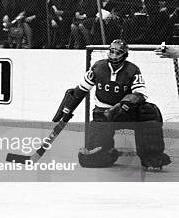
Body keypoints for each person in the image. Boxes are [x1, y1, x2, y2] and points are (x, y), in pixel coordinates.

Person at [53, 40, 170, 171]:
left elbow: (140, 93)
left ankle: (151, 156)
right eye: (112, 51)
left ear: (124, 54)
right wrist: (67, 109)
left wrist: (123, 104)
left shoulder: (132, 70)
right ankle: (106, 153)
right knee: (92, 158)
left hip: (125, 112)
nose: (114, 55)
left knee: (149, 112)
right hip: (103, 115)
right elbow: (81, 90)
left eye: (118, 52)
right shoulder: (98, 67)